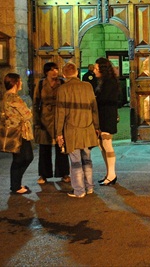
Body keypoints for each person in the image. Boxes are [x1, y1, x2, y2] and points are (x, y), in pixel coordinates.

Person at [55, 62, 100, 198]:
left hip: (72, 130)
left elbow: (60, 113)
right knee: (87, 160)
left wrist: (58, 133)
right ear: (76, 72)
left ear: (64, 75)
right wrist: (97, 127)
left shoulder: (63, 89)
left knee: (75, 162)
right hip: (88, 128)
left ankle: (79, 191)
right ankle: (90, 187)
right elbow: (94, 108)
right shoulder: (88, 86)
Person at [33, 62, 70, 184]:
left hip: (59, 117)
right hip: (45, 118)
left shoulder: (62, 83)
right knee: (44, 148)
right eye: (52, 70)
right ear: (46, 72)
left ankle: (64, 173)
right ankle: (44, 174)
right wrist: (36, 120)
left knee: (61, 147)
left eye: (56, 69)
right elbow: (35, 102)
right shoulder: (40, 84)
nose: (55, 72)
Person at [2, 73, 34, 195]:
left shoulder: (7, 96)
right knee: (24, 157)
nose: (21, 83)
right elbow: (27, 114)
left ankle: (16, 184)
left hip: (14, 130)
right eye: (20, 81)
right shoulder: (14, 98)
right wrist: (27, 111)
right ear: (16, 82)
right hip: (19, 132)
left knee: (20, 158)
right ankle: (15, 186)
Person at [94, 57, 121, 186]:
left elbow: (106, 99)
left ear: (102, 69)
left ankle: (112, 174)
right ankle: (109, 173)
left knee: (107, 144)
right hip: (103, 115)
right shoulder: (104, 81)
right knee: (102, 145)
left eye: (96, 68)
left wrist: (95, 99)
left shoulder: (109, 82)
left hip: (107, 116)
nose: (94, 70)